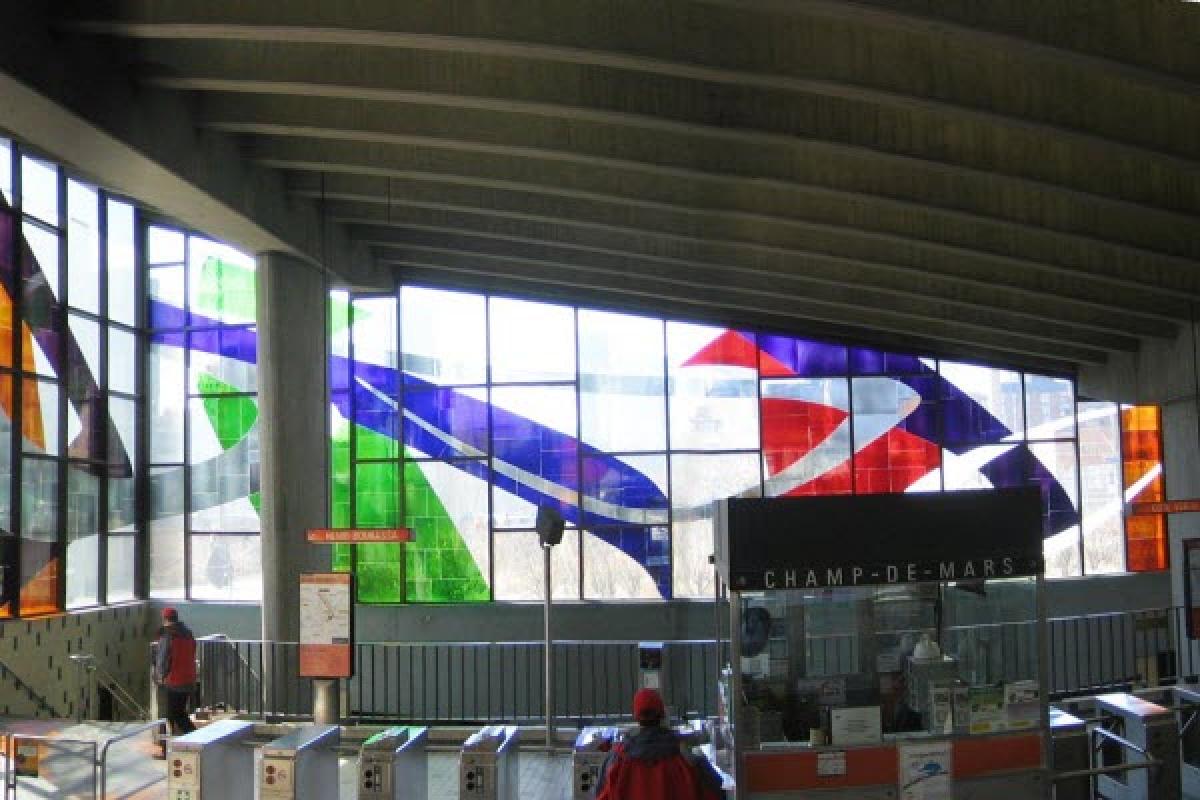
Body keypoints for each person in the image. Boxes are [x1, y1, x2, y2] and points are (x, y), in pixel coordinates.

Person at [596, 688, 726, 800]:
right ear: (662, 714)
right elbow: (715, 791)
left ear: (636, 716)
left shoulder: (617, 758)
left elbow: (602, 794)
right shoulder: (687, 757)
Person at [153, 607, 197, 736]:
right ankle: (175, 741)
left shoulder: (167, 635)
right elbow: (192, 651)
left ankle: (197, 740)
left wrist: (159, 676)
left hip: (174, 680)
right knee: (178, 712)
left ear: (165, 619)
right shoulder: (188, 633)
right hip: (189, 678)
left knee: (176, 715)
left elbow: (162, 657)